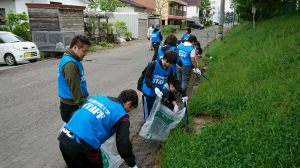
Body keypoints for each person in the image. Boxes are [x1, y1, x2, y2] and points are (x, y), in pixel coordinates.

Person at [58, 89, 139, 168]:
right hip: (85, 147)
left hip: (64, 138)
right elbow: (123, 143)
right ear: (129, 103)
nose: (129, 112)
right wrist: (131, 163)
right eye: (131, 109)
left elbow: (78, 113)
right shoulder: (121, 115)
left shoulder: (97, 98)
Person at [142, 51, 187, 121]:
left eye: (172, 64)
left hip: (157, 94)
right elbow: (147, 79)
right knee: (148, 114)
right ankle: (146, 129)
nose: (170, 65)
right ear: (165, 59)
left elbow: (174, 82)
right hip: (148, 93)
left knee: (154, 113)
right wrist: (154, 88)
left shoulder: (169, 70)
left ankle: (152, 128)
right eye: (170, 63)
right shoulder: (153, 64)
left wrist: (183, 94)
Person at [58, 35, 91, 123]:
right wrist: (82, 105)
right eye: (84, 51)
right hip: (72, 107)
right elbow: (74, 87)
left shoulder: (74, 59)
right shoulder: (70, 64)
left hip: (74, 104)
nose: (86, 54)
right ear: (75, 47)